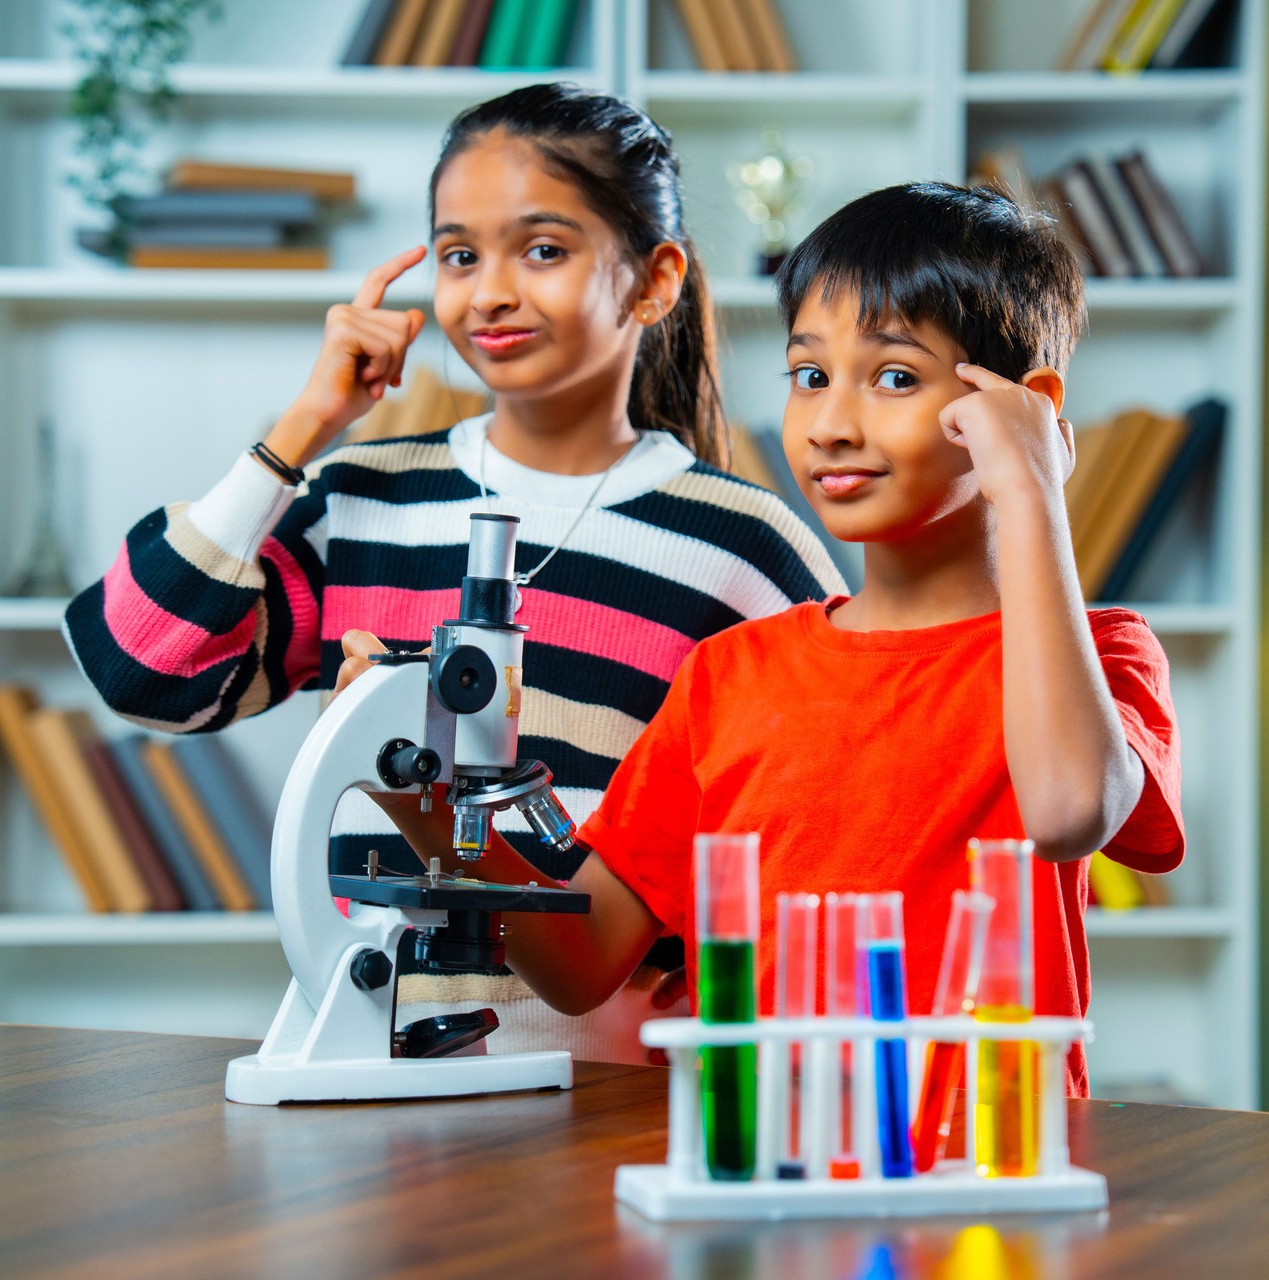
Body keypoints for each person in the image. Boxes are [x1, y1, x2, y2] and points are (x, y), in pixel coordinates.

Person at [63, 84, 844, 1062]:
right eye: (459, 254)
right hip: (368, 1066)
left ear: (654, 281)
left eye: (543, 249)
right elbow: (138, 668)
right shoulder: (361, 499)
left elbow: (828, 825)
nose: (490, 292)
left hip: (614, 1092)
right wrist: (301, 429)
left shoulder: (743, 546)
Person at [356, 181, 1185, 1094]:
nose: (831, 425)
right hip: (758, 1166)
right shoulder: (730, 674)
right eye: (810, 376)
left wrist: (1032, 489)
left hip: (992, 1165)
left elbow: (1071, 812)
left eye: (896, 377)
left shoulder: (1101, 657)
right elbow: (579, 961)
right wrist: (412, 785)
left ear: (1024, 408)